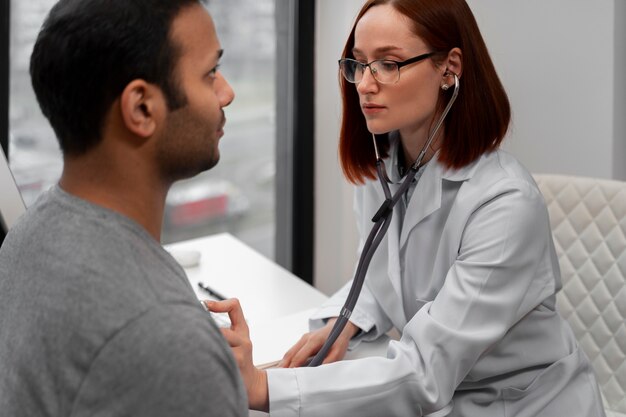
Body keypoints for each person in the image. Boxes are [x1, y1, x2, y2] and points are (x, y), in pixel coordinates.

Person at [210, 0, 607, 416]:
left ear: (449, 68)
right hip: (455, 395)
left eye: (388, 64)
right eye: (359, 64)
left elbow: (423, 374)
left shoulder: (505, 206)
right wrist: (346, 320)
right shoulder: (383, 170)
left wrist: (264, 388)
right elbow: (390, 275)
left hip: (527, 405)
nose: (364, 84)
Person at [0, 0, 247, 416]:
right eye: (210, 74)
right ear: (141, 108)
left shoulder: (28, 237)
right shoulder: (166, 342)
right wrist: (198, 370)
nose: (227, 92)